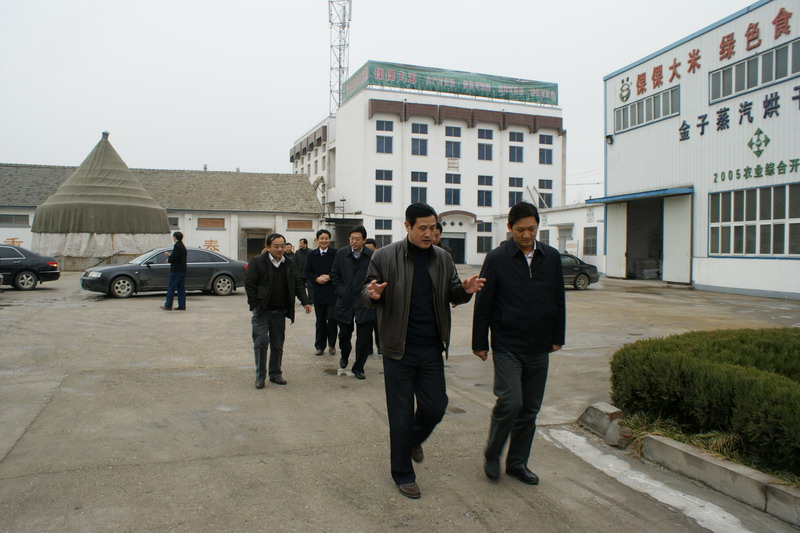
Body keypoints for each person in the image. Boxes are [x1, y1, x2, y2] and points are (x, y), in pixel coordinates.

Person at [362, 203, 485, 499]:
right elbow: (366, 292)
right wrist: (373, 294)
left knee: (435, 406)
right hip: (398, 349)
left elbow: (453, 291)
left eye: (433, 228)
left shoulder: (443, 258)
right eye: (423, 228)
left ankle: (413, 439)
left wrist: (465, 291)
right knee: (400, 415)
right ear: (407, 226)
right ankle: (403, 473)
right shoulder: (384, 256)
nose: (429, 234)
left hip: (431, 348)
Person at [471, 202, 565, 485]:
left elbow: (558, 298)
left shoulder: (551, 257)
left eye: (532, 229)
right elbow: (484, 302)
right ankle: (493, 453)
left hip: (539, 346)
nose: (527, 235)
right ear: (510, 228)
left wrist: (557, 337)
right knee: (511, 401)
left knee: (530, 409)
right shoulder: (497, 258)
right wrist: (480, 342)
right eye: (521, 230)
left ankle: (517, 463)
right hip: (507, 344)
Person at [245, 233, 311, 389]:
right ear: (268, 247)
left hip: (280, 311)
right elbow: (250, 284)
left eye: (282, 246)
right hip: (262, 311)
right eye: (276, 246)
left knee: (277, 344)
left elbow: (297, 284)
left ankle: (275, 374)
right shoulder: (257, 262)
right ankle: (260, 376)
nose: (280, 249)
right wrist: (254, 305)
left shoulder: (289, 263)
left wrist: (305, 301)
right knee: (261, 343)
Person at [331, 225, 375, 379]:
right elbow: (334, 274)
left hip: (364, 301)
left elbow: (377, 276)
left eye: (357, 239)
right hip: (345, 300)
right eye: (351, 238)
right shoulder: (341, 253)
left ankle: (359, 367)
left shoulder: (371, 256)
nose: (354, 242)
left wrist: (369, 291)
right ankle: (345, 354)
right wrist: (341, 290)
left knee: (364, 337)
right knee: (344, 334)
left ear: (364, 240)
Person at [305, 229, 338, 356]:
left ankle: (332, 345)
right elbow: (307, 272)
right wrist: (316, 279)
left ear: (329, 239)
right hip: (318, 292)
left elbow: (339, 270)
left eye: (326, 238)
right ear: (317, 240)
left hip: (332, 292)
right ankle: (320, 346)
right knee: (320, 321)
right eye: (321, 238)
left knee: (332, 319)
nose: (324, 240)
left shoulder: (336, 253)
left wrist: (329, 277)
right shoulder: (311, 255)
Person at [161, 231, 187, 311]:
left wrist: (168, 260)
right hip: (182, 270)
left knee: (171, 287)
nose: (173, 238)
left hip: (176, 270)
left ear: (175, 237)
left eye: (173, 237)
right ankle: (182, 306)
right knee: (181, 288)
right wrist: (169, 255)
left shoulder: (177, 245)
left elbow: (175, 258)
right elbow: (178, 256)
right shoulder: (182, 246)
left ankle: (168, 305)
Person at [364, 238, 381, 356]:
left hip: (378, 297)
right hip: (366, 296)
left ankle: (380, 347)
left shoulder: (380, 260)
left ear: (376, 249)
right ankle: (368, 348)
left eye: (371, 249)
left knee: (378, 324)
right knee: (366, 325)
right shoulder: (362, 260)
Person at [295, 238, 311, 303]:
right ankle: (304, 301)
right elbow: (295, 262)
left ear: (305, 244)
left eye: (301, 243)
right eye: (299, 243)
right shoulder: (297, 252)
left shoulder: (310, 252)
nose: (300, 244)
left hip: (309, 273)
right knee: (302, 288)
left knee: (310, 287)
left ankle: (311, 300)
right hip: (300, 273)